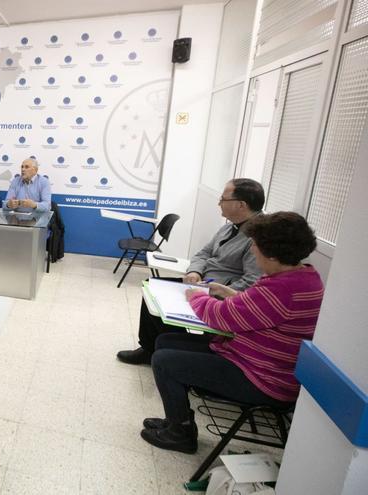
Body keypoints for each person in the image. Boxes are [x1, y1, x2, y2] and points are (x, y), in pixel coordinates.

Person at [141, 212, 323, 453]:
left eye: (255, 246)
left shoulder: (281, 288)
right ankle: (177, 418)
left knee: (163, 361)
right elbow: (260, 308)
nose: (253, 251)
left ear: (270, 252)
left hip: (262, 378)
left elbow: (220, 318)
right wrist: (229, 293)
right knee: (166, 341)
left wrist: (197, 295)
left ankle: (180, 434)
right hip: (254, 360)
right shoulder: (303, 277)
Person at [117, 178, 265, 365]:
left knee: (165, 299)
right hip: (202, 282)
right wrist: (196, 272)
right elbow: (203, 253)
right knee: (152, 287)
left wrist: (213, 291)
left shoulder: (259, 237)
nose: (219, 202)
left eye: (223, 199)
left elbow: (250, 282)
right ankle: (149, 348)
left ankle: (170, 352)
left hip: (219, 293)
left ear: (241, 205)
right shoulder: (230, 226)